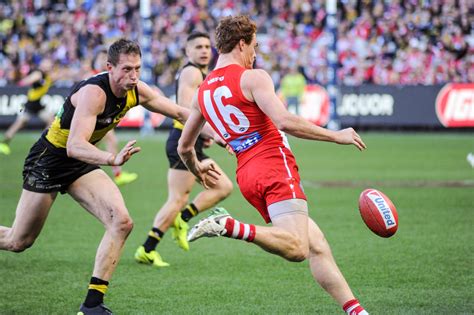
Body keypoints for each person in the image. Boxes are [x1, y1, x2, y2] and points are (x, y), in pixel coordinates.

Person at [178, 16, 369, 315]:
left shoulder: (203, 92)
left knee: (316, 244)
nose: (255, 53)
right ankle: (230, 226)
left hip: (247, 175)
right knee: (297, 248)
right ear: (242, 44)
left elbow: (184, 146)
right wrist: (336, 136)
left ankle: (357, 311)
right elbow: (285, 121)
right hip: (272, 163)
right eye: (254, 45)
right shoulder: (253, 77)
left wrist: (196, 169)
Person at [0, 39, 191, 315]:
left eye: (137, 68)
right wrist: (111, 159)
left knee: (122, 222)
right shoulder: (94, 92)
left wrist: (223, 134)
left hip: (80, 164)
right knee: (19, 241)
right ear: (109, 67)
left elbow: (179, 113)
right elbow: (74, 145)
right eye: (126, 69)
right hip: (50, 161)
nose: (133, 76)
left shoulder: (136, 89)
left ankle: (92, 305)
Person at [134, 32, 233, 267]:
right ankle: (147, 249)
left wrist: (203, 134)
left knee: (222, 186)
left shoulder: (200, 73)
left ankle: (182, 219)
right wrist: (215, 135)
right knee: (177, 199)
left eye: (208, 46)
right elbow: (185, 109)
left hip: (191, 140)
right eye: (198, 46)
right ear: (187, 51)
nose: (204, 50)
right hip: (183, 141)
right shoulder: (191, 71)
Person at [89, 48, 139, 186]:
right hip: (93, 119)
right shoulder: (91, 78)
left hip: (100, 119)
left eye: (105, 59)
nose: (102, 61)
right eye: (100, 58)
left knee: (101, 143)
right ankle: (116, 174)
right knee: (99, 143)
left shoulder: (110, 78)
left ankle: (116, 174)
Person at [0, 58, 56, 155]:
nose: (48, 66)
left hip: (38, 104)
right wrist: (22, 81)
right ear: (42, 65)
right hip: (31, 103)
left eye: (49, 64)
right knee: (20, 123)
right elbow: (27, 80)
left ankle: (42, 143)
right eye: (47, 63)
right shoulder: (39, 74)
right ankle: (4, 142)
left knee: (51, 121)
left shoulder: (47, 76)